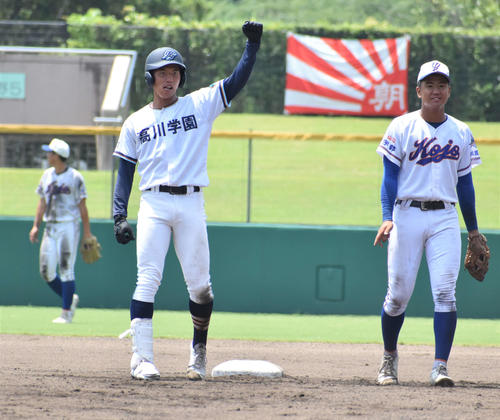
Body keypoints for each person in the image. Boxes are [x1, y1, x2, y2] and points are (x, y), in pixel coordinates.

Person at [113, 21, 263, 380]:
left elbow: (234, 82)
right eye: (162, 73)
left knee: (200, 286)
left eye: (174, 72)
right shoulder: (135, 122)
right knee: (147, 278)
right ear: (150, 79)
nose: (169, 78)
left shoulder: (199, 105)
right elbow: (123, 173)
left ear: (181, 77)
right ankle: (142, 358)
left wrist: (251, 48)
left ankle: (198, 350)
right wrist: (119, 214)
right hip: (153, 204)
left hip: (191, 203)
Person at [373, 60, 484, 387]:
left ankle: (440, 367)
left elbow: (465, 185)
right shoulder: (401, 126)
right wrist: (387, 216)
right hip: (406, 215)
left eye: (441, 85)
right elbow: (389, 177)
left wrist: (474, 229)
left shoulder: (461, 131)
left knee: (445, 292)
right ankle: (389, 358)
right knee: (397, 296)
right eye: (429, 85)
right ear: (418, 90)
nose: (435, 90)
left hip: (445, 218)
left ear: (448, 90)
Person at [29, 138, 94, 324]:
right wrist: (36, 226)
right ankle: (70, 297)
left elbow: (83, 208)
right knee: (46, 272)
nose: (48, 154)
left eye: (50, 152)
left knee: (66, 269)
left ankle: (66, 313)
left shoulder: (75, 177)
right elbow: (41, 202)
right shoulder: (47, 175)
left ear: (57, 156)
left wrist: (87, 233)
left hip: (68, 227)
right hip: (50, 227)